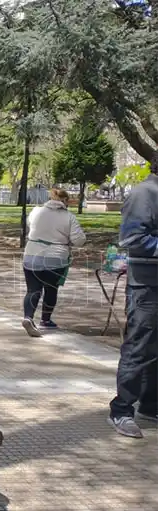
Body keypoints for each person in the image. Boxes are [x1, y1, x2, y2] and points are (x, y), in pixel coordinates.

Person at [107, 153, 158, 438]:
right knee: (139, 347)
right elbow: (132, 239)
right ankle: (122, 409)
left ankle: (150, 405)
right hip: (147, 287)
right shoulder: (144, 193)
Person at [20, 188, 86, 337]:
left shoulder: (36, 211)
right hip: (56, 259)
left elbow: (30, 225)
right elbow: (79, 240)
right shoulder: (69, 217)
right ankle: (46, 319)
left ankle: (28, 317)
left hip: (32, 255)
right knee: (51, 289)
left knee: (33, 289)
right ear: (64, 201)